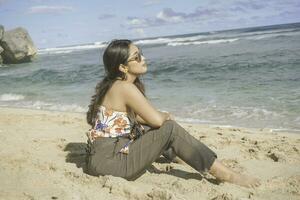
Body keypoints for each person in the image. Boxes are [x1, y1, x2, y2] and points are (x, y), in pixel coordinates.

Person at [85, 39, 260, 188]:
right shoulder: (124, 87)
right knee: (169, 128)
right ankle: (226, 175)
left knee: (145, 128)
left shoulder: (112, 86)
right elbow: (157, 121)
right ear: (123, 67)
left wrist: (158, 118)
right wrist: (165, 115)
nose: (143, 58)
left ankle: (178, 156)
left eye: (142, 53)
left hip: (101, 159)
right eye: (137, 57)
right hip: (112, 163)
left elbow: (140, 120)